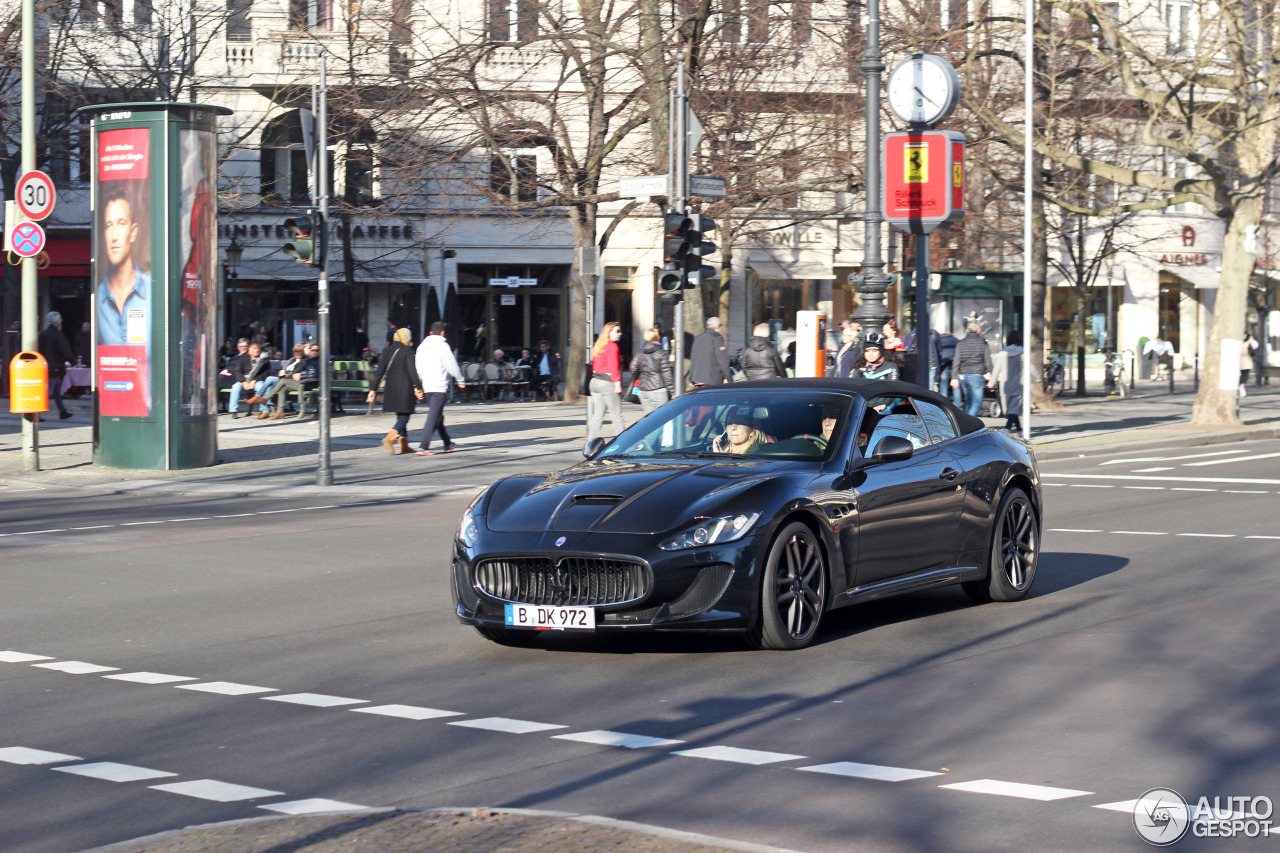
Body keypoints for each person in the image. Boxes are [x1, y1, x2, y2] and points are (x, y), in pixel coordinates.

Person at [97, 184, 150, 347]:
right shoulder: (97, 298)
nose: (114, 236)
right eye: (108, 225)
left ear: (133, 232)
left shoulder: (153, 293)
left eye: (121, 224)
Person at [367, 328, 423, 453]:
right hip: (405, 387)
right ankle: (390, 437)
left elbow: (379, 372)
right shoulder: (407, 350)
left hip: (391, 387)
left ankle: (404, 445)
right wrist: (418, 388)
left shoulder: (387, 351)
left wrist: (373, 390)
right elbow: (412, 371)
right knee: (405, 416)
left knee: (400, 415)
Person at [414, 321, 466, 455]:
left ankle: (447, 443)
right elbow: (451, 365)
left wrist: (417, 387)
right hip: (439, 385)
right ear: (442, 332)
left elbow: (418, 369)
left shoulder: (421, 347)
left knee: (437, 416)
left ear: (431, 332)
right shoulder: (443, 346)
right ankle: (423, 446)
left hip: (427, 385)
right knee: (433, 416)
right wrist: (460, 379)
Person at [586, 321, 626, 441]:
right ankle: (623, 442)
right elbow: (614, 368)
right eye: (617, 331)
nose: (620, 333)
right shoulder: (612, 346)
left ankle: (590, 442)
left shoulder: (598, 345)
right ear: (609, 332)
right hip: (607, 383)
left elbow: (594, 364)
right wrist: (617, 383)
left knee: (597, 414)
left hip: (595, 381)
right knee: (616, 414)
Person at [265, 343, 320, 418]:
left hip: (309, 383)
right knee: (283, 388)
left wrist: (301, 375)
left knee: (283, 381)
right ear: (310, 351)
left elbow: (315, 375)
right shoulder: (308, 361)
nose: (314, 351)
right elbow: (298, 370)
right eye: (312, 350)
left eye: (316, 350)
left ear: (319, 351)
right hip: (300, 382)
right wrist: (295, 374)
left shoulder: (320, 361)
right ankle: (280, 411)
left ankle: (266, 398)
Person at [37, 311, 75, 420]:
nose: (61, 321)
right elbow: (65, 349)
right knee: (48, 391)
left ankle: (62, 411)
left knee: (56, 391)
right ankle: (37, 413)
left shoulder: (43, 334)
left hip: (45, 365)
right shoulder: (58, 335)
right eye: (59, 319)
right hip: (55, 366)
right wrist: (72, 360)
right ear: (56, 322)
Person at [951, 320, 993, 417]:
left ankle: (965, 423)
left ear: (968, 330)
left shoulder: (960, 343)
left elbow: (956, 361)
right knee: (976, 403)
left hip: (963, 376)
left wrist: (954, 377)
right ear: (979, 330)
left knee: (969, 402)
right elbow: (988, 362)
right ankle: (968, 423)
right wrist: (993, 377)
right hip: (976, 376)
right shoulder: (983, 343)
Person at [629, 327, 675, 414]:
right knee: (663, 417)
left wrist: (643, 372)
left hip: (643, 389)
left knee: (649, 419)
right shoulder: (662, 352)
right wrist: (672, 392)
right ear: (657, 337)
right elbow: (667, 373)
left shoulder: (640, 352)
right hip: (658, 388)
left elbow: (632, 368)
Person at [229, 341, 274, 419]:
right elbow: (237, 371)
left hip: (257, 381)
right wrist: (243, 381)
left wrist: (255, 380)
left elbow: (267, 373)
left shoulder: (264, 359)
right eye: (254, 348)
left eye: (258, 348)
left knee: (261, 387)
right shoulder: (243, 357)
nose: (257, 350)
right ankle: (233, 411)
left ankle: (263, 410)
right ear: (249, 349)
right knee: (235, 387)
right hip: (244, 380)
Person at [991, 330, 1024, 431]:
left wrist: (992, 381)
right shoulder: (1023, 352)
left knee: (1010, 408)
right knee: (1014, 407)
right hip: (1019, 383)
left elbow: (997, 368)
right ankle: (1009, 427)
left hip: (1005, 384)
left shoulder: (1003, 352)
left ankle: (1016, 428)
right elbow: (1029, 366)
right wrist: (1037, 377)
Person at [688, 316, 731, 388]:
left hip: (697, 379)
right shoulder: (717, 339)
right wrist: (728, 377)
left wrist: (691, 378)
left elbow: (693, 359)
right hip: (712, 380)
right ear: (717, 327)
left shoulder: (698, 338)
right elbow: (723, 361)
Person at [903, 325, 941, 390]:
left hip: (929, 366)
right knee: (927, 389)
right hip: (923, 366)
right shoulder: (912, 336)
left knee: (927, 389)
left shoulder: (932, 334)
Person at [1241, 331, 1259, 397]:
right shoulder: (1236, 340)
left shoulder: (1249, 340)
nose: (1244, 336)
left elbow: (1254, 348)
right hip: (1239, 361)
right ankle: (1240, 386)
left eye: (1245, 334)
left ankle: (1242, 386)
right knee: (1239, 374)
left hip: (1246, 360)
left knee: (1245, 374)